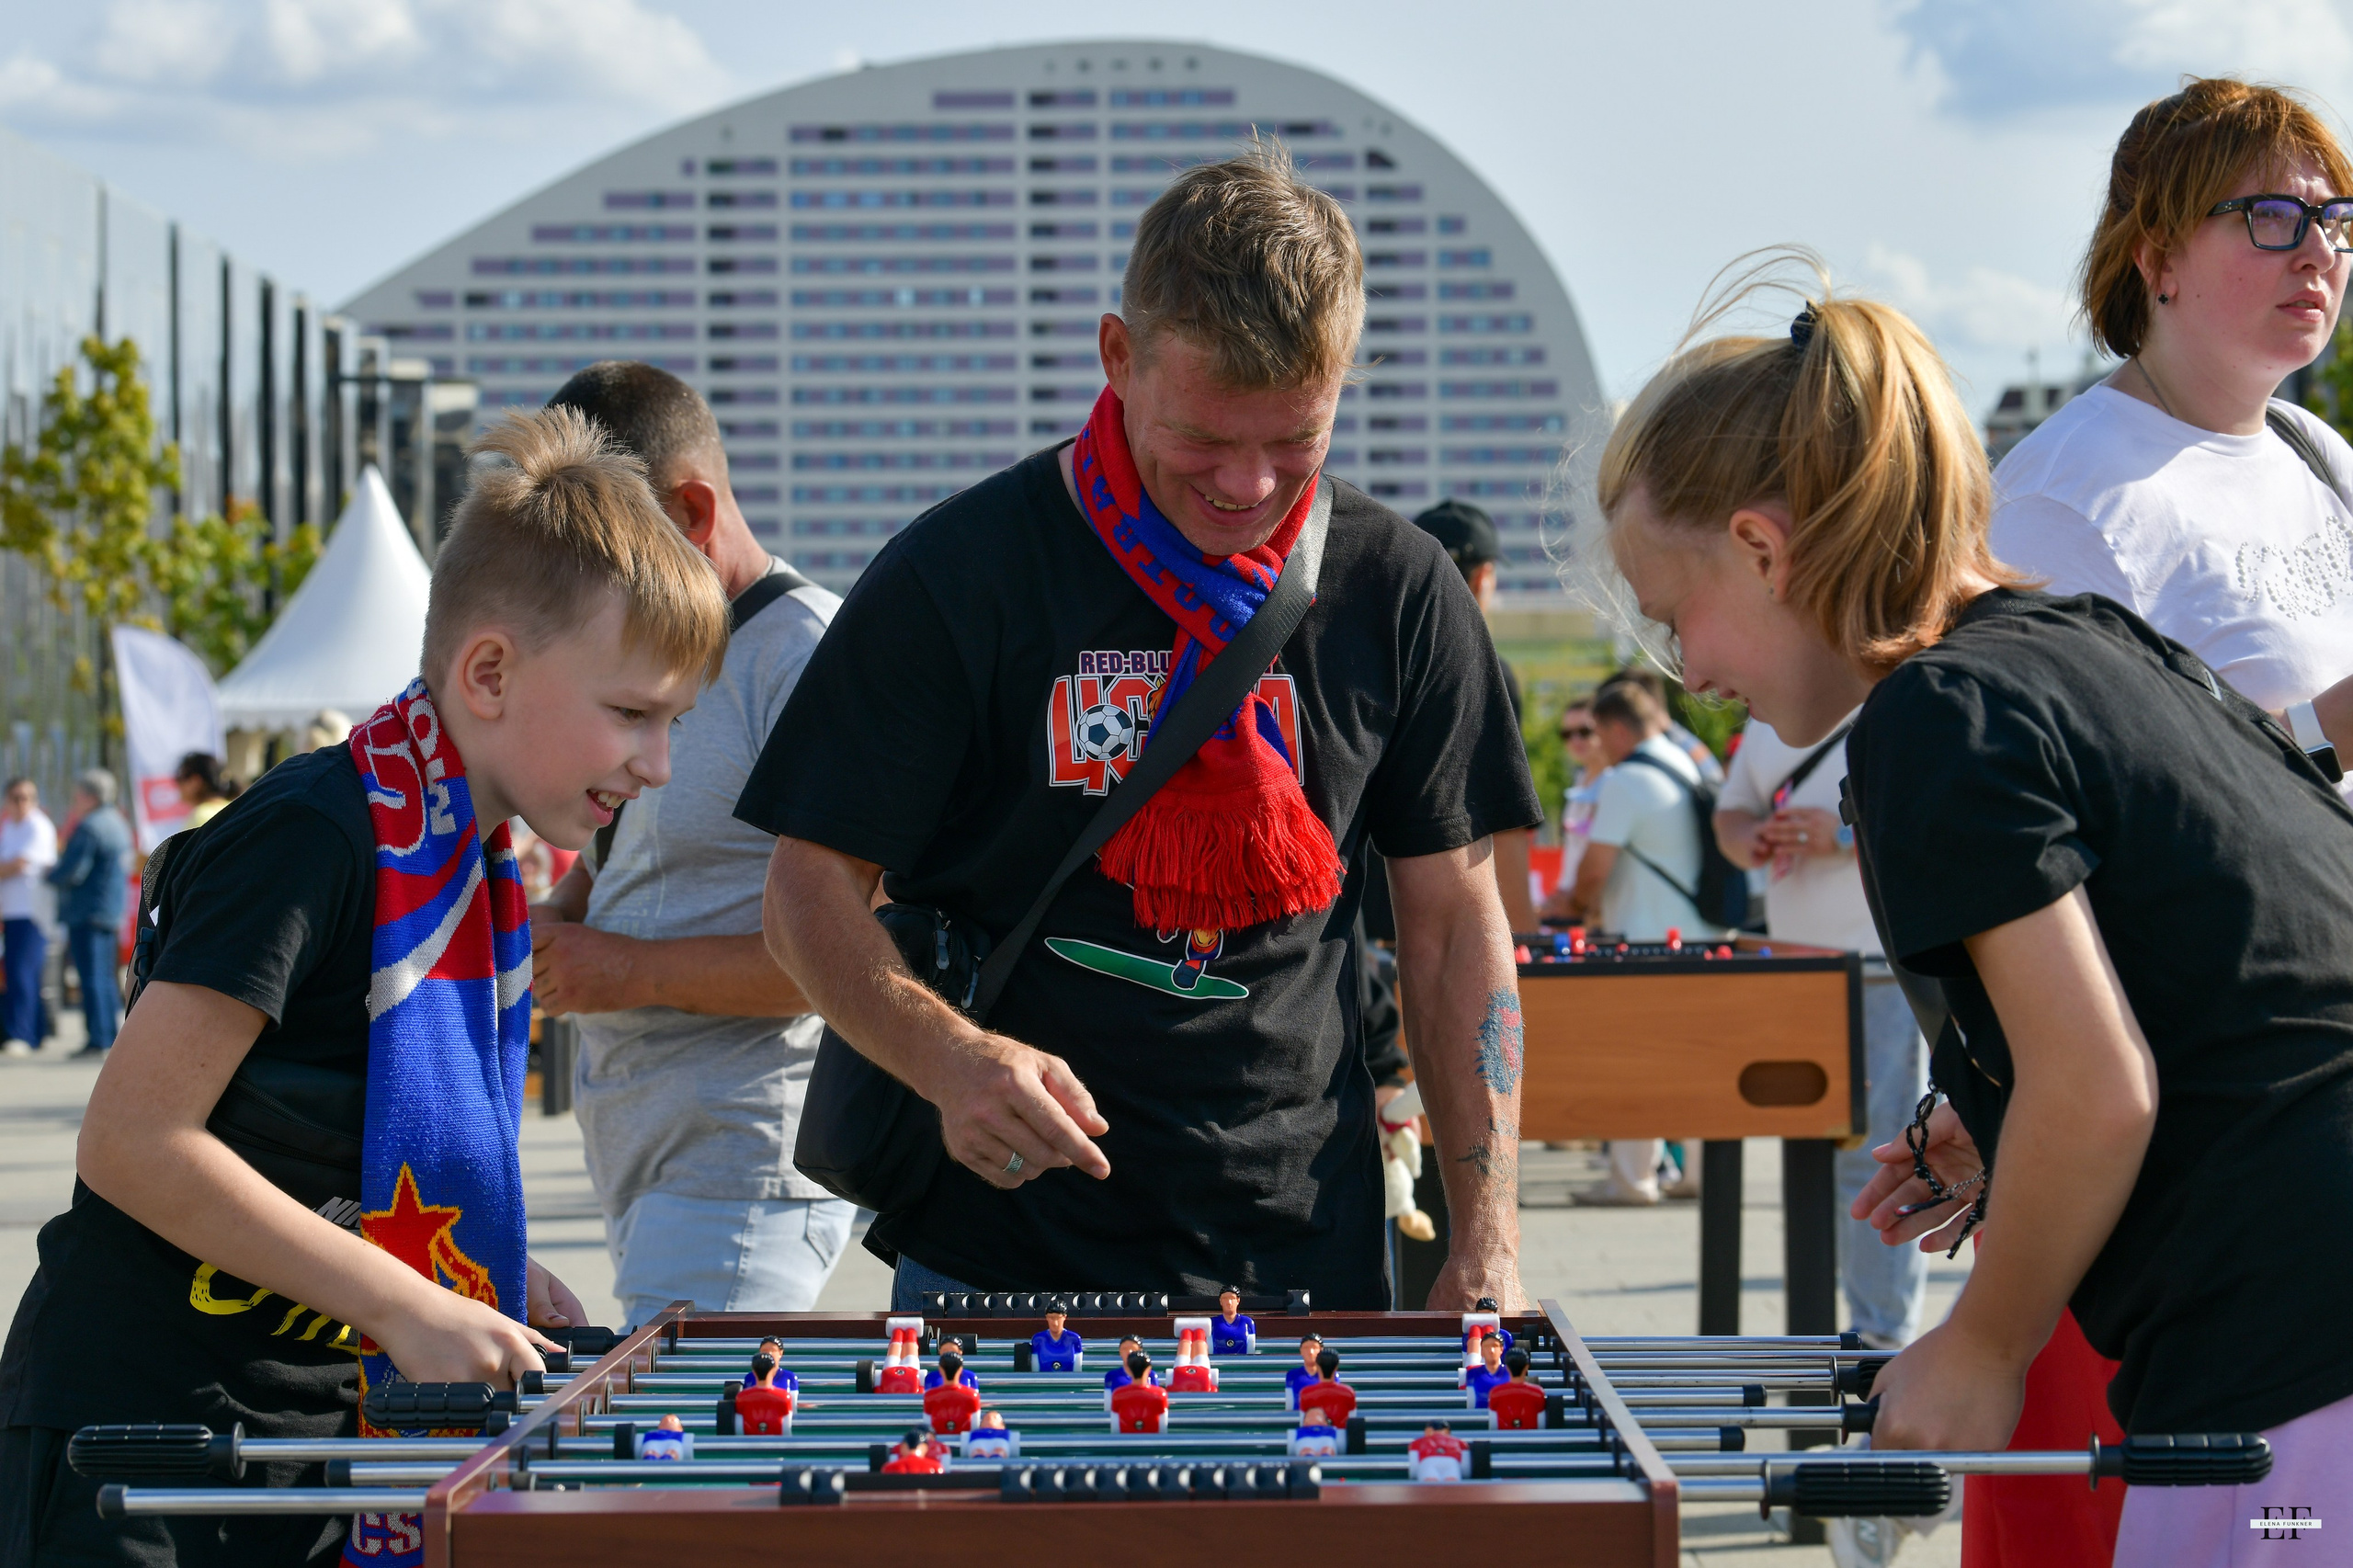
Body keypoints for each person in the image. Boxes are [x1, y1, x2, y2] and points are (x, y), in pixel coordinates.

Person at [1595, 254, 2353, 1565]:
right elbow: (2237, 962)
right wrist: (1999, 1107)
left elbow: (2100, 1086)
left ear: (1764, 549)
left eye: (1677, 620)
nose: (1690, 669)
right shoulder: (2087, 640)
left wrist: (1980, 1345)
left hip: (2284, 1343)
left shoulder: (1931, 720)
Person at [744, 143, 1539, 1311]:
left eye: (1294, 440)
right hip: (997, 1257)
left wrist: (1489, 1236)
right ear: (1119, 355)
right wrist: (948, 1059)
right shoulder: (961, 572)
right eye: (1205, 440)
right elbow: (803, 894)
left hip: (1304, 1258)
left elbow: (1455, 929)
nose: (1250, 486)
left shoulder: (1399, 589)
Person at [0, 406, 725, 1566]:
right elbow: (132, 1139)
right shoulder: (311, 834)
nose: (659, 761)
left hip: (312, 1435)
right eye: (632, 713)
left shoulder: (475, 863)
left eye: (675, 722)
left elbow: (337, 1153)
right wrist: (404, 1301)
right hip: (142, 1438)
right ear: (488, 671)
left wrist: (482, 1274)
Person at [1975, 79, 2353, 1568]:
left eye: (2334, 218)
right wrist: (2322, 728)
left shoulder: (2325, 460)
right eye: (2270, 214)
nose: (2315, 250)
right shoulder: (2065, 496)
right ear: (2156, 253)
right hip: (2173, 1132)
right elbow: (2037, 818)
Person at [528, 361, 854, 1328]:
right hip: (658, 1158)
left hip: (746, 1156)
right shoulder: (682, 654)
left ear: (693, 512)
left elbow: (859, 959)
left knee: (682, 1467)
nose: (586, 599)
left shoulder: (807, 661)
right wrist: (556, 920)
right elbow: (640, 854)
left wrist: (621, 966)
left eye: (606, 562)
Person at [1716, 720, 1927, 1352]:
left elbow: (1932, 821)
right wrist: (1753, 838)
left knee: (1880, 1157)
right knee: (1812, 1160)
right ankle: (1839, 1342)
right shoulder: (1764, 718)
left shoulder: (1897, 701)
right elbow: (1731, 817)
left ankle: (1880, 1340)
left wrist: (1842, 837)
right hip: (1792, 969)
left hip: (1880, 966)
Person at [1557, 680, 1723, 1204]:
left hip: (1647, 940)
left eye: (1600, 732)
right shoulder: (1688, 763)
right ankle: (1699, 1170)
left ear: (1619, 728)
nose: (1599, 745)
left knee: (1634, 1059)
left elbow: (1594, 869)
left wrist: (1572, 907)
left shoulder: (1628, 780)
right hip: (1700, 935)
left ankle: (1632, 1179)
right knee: (1697, 1060)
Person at [1414, 498, 1537, 930]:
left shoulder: (1372, 660)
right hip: (1447, 925)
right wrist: (1524, 941)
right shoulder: (1487, 672)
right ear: (1484, 577)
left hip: (1342, 927)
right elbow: (1503, 818)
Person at [45, 770, 132, 1059]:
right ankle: (108, 1034)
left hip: (87, 910)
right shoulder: (118, 822)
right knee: (105, 976)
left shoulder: (90, 827)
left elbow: (73, 871)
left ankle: (97, 1037)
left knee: (91, 976)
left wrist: (49, 875)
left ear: (89, 795)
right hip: (110, 910)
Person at [0, 780, 57, 1054]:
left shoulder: (38, 825)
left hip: (31, 911)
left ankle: (21, 1034)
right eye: (16, 797)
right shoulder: (11, 827)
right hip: (12, 911)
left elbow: (20, 863)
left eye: (27, 797)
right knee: (20, 973)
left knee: (23, 973)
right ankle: (36, 1032)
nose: (22, 803)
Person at [1110, 1352, 1171, 1433]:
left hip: (1125, 1440)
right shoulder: (1160, 1394)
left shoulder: (1118, 1394)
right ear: (1149, 1369)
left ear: (1127, 1370)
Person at [1487, 1350, 1547, 1430]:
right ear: (1526, 1367)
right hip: (1531, 1439)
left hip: (1503, 1439)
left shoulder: (1495, 1393)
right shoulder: (1538, 1393)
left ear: (1507, 1368)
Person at [173, 753, 234, 831]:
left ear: (196, 781)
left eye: (180, 778)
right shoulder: (235, 808)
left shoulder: (200, 816)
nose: (177, 785)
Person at [1297, 1347, 1356, 1426]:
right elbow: (1352, 1422)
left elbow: (1303, 1423)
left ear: (1317, 1366)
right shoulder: (1348, 1392)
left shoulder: (1305, 1393)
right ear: (1336, 1367)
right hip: (1341, 1437)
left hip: (1316, 1437)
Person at [1030, 1303, 1083, 1371]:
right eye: (1051, 1318)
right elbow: (1035, 1368)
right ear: (1046, 1318)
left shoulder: (1074, 1339)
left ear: (1064, 1317)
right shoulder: (1038, 1339)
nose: (1055, 1323)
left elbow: (1078, 1368)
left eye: (1058, 1318)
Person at [1462, 1332, 1508, 1406]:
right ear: (1482, 1352)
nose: (1492, 1351)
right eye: (1487, 1347)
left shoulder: (1510, 1372)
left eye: (1495, 1346)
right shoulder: (1473, 1373)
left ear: (1501, 1350)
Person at [1208, 1286, 1256, 1355]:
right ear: (1220, 1301)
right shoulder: (1212, 1323)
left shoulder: (1247, 1322)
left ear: (1238, 1300)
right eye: (1225, 1299)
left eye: (1232, 1298)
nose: (1229, 1302)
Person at [1284, 1333, 1325, 1409]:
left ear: (1321, 1350)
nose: (1310, 1352)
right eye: (1306, 1348)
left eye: (1314, 1348)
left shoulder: (1329, 1375)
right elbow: (1290, 1403)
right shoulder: (1293, 1375)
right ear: (1301, 1351)